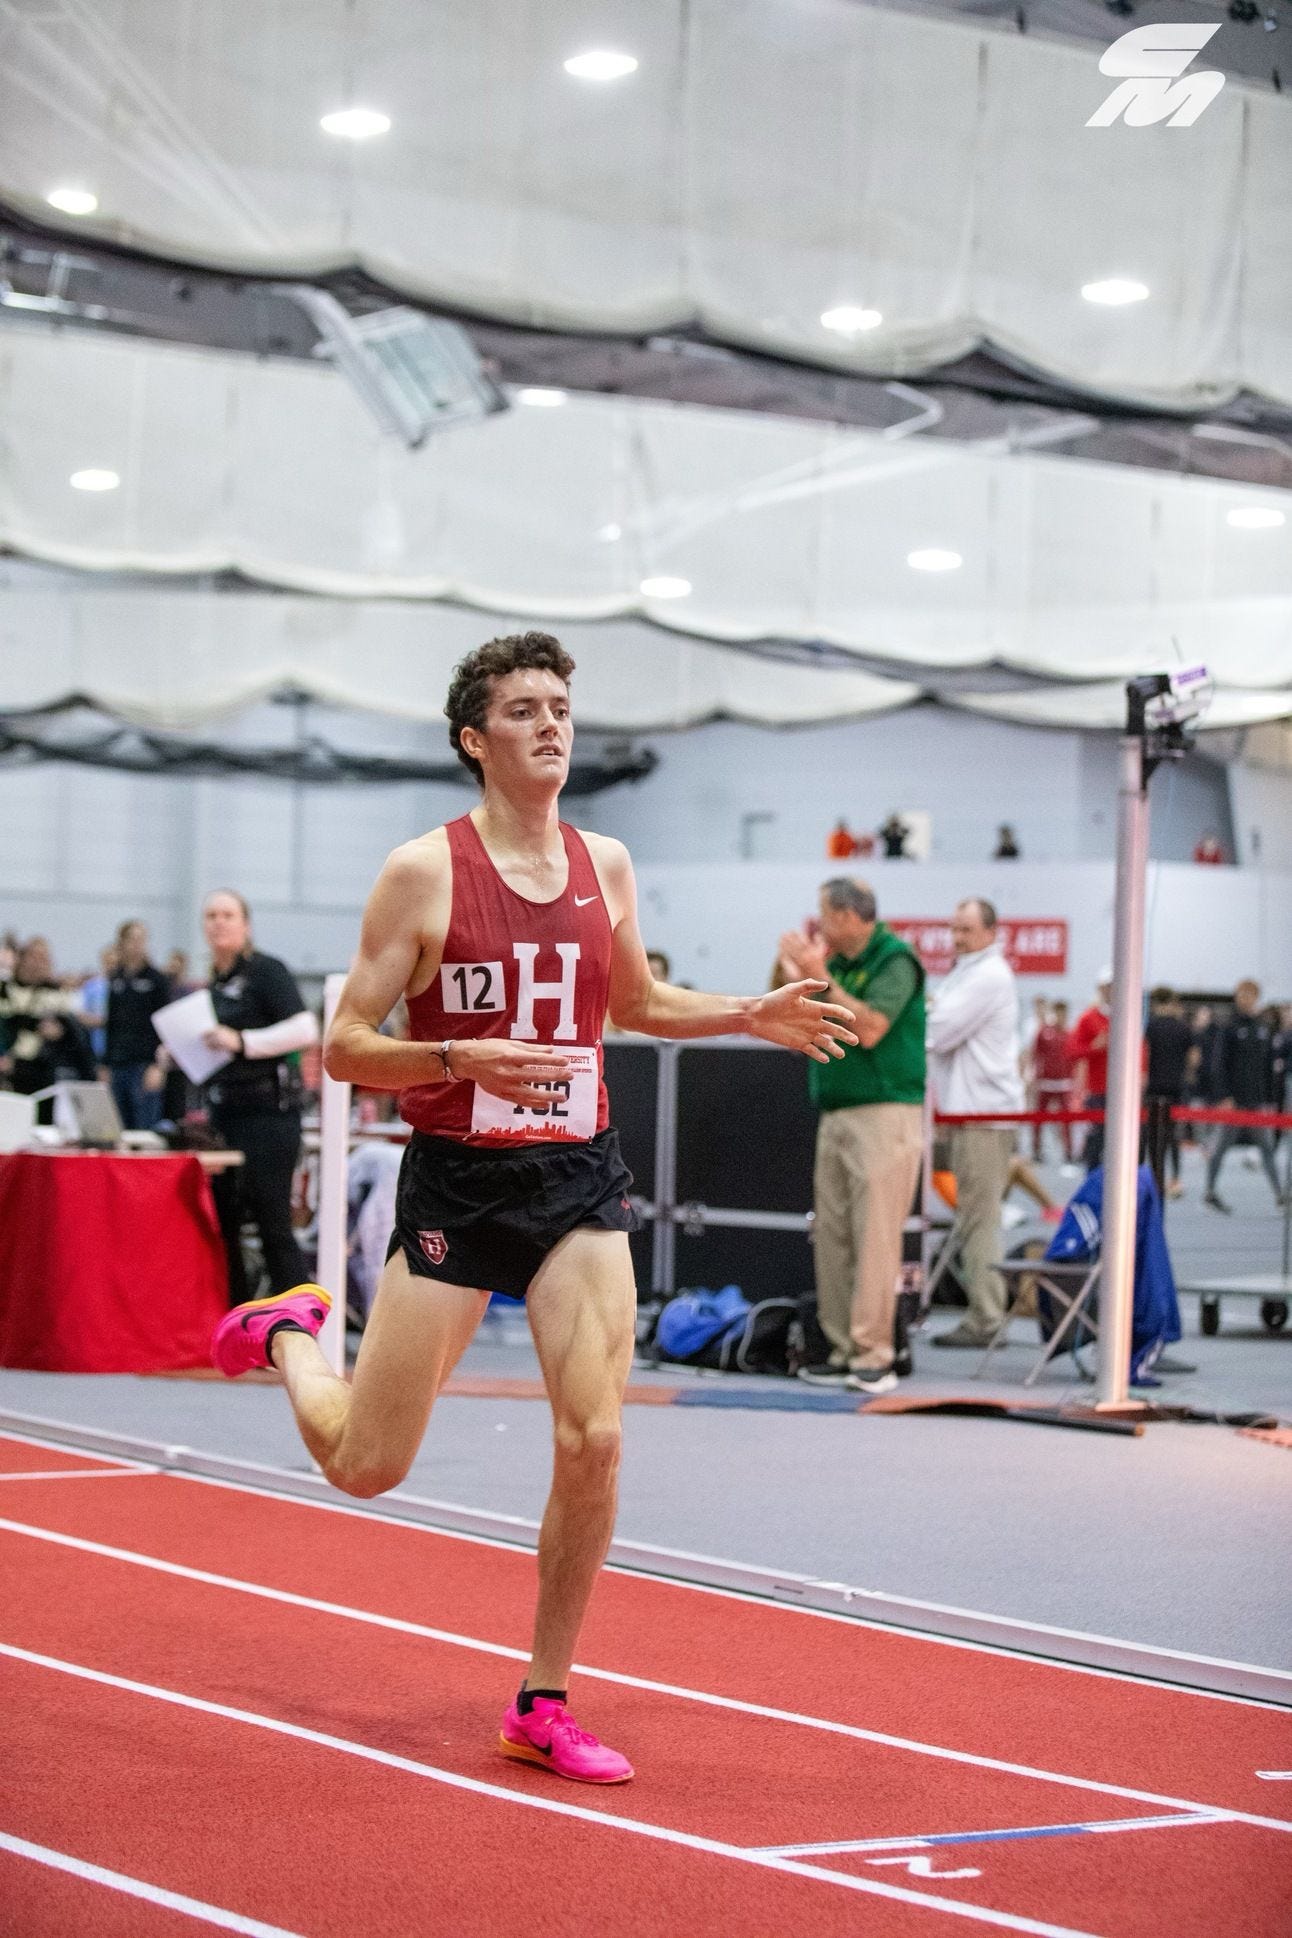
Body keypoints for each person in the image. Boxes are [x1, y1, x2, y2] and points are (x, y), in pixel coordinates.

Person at [210, 631, 853, 1786]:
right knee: (365, 1465)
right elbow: (344, 1047)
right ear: (474, 738)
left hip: (575, 1179)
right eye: (523, 710)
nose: (551, 724)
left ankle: (541, 1700)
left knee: (594, 1438)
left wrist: (744, 1014)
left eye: (560, 706)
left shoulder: (607, 862)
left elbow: (636, 1002)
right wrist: (455, 1055)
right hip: (458, 1185)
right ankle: (291, 1335)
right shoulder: (422, 872)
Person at [778, 878, 925, 1393]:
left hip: (884, 1114)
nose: (818, 924)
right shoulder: (836, 965)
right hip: (836, 1112)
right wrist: (794, 973)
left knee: (876, 1237)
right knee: (834, 1236)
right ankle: (841, 1349)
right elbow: (791, 1019)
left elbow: (871, 1028)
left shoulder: (895, 960)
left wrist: (820, 978)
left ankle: (873, 1354)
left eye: (824, 914)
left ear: (847, 915)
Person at [172, 890, 319, 1301]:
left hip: (269, 1114)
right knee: (224, 1223)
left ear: (245, 925)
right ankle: (235, 1316)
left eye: (228, 915)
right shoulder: (214, 985)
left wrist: (241, 1041)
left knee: (273, 1223)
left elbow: (305, 1029)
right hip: (224, 1113)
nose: (218, 922)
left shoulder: (265, 971)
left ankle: (298, 1321)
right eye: (211, 915)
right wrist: (179, 1052)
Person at [925, 898, 1024, 1348]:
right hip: (969, 1113)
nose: (957, 937)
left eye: (966, 929)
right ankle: (983, 1312)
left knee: (979, 1219)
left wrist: (924, 1012)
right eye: (954, 928)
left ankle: (986, 1319)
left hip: (983, 1115)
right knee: (972, 1216)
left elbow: (937, 1030)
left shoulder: (988, 975)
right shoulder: (967, 972)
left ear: (991, 932)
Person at [1203, 981, 1285, 1212]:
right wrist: (1224, 1095)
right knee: (1220, 1147)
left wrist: (1270, 1099)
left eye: (1250, 995)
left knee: (1266, 1148)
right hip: (1234, 1101)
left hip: (1256, 1101)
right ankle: (1210, 1191)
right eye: (1242, 994)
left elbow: (1268, 1066)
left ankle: (1280, 1195)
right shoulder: (1228, 1027)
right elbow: (1218, 1063)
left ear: (1256, 997)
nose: (1246, 999)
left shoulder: (1263, 1028)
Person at [0, 937, 97, 1106]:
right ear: (22, 959)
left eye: (44, 959)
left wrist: (60, 1032)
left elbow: (75, 1037)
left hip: (43, 1071)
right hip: (10, 1067)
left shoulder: (58, 994)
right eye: (34, 957)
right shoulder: (6, 990)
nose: (39, 964)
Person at [104, 920, 172, 1130]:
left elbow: (165, 1025)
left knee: (145, 1125)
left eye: (141, 939)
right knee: (117, 1126)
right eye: (132, 939)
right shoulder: (116, 978)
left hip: (144, 1063)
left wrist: (158, 1066)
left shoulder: (157, 980)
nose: (137, 945)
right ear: (122, 943)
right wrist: (105, 1063)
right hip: (118, 1063)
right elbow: (111, 1022)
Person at [1144, 987, 1192, 1198]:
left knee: (1154, 1137)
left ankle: (1156, 1181)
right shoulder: (1183, 1027)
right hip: (1176, 1088)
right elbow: (1194, 1058)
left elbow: (1144, 1054)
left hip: (1153, 1087)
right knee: (1173, 1136)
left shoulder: (1150, 1027)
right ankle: (1175, 1179)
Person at [1068, 970, 1113, 1172]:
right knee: (1096, 1142)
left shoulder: (1128, 1017)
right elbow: (1072, 1051)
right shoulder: (1089, 1018)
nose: (1112, 991)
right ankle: (1092, 1183)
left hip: (1122, 1092)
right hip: (1096, 1090)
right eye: (1108, 987)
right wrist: (1095, 1047)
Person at [1031, 998, 1074, 1162]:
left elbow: (1074, 1058)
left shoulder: (1069, 1034)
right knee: (1039, 1117)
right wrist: (1035, 1077)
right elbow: (1036, 1055)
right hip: (1046, 1083)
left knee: (1067, 1118)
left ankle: (1069, 1151)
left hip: (1064, 1083)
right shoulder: (1044, 1032)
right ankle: (1036, 1149)